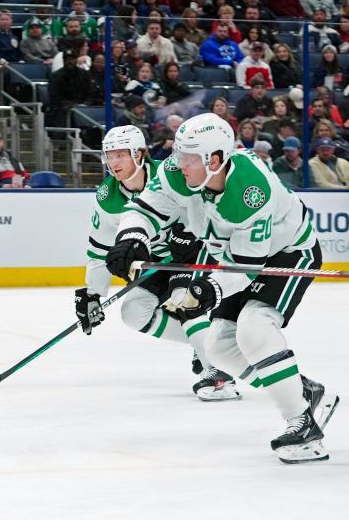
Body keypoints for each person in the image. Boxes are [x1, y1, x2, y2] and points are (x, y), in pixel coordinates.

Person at [105, 112, 338, 464]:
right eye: (179, 154)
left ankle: (303, 425)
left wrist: (206, 290)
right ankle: (302, 390)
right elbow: (145, 208)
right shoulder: (180, 172)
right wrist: (131, 237)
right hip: (236, 258)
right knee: (218, 345)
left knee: (255, 327)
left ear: (214, 160)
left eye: (188, 157)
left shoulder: (249, 191)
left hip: (287, 253)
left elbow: (247, 267)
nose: (178, 164)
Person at [77, 125, 238, 400]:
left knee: (182, 299)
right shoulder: (108, 197)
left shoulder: (171, 174)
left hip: (191, 252)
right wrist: (92, 293)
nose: (113, 163)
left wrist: (190, 231)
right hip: (154, 262)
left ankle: (219, 374)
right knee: (133, 313)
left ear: (139, 155)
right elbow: (100, 247)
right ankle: (207, 344)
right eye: (109, 156)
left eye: (120, 155)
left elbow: (206, 203)